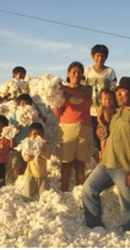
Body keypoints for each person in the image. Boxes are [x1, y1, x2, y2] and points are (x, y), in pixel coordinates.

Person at [82, 76, 130, 232]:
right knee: (88, 188)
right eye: (118, 91)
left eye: (123, 91)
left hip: (124, 166)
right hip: (106, 163)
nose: (119, 95)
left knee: (128, 204)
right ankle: (95, 227)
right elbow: (112, 134)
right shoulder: (118, 111)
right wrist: (102, 132)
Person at [53, 61, 94, 192]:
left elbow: (84, 95)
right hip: (67, 128)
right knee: (66, 163)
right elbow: (58, 113)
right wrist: (54, 100)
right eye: (74, 72)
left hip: (85, 128)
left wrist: (62, 88)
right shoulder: (61, 93)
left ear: (83, 75)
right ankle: (64, 190)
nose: (77, 75)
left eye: (79, 72)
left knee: (81, 163)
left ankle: (79, 191)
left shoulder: (87, 89)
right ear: (68, 74)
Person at [84, 44, 117, 155]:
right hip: (90, 110)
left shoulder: (110, 72)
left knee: (103, 136)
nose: (100, 59)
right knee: (90, 135)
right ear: (93, 57)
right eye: (97, 56)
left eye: (103, 56)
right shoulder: (87, 71)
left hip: (104, 111)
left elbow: (113, 90)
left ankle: (103, 157)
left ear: (106, 57)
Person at [7, 93, 34, 183]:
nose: (24, 106)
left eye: (27, 103)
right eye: (22, 103)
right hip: (18, 145)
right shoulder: (14, 116)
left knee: (27, 164)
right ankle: (19, 182)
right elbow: (12, 130)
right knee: (17, 164)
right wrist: (20, 123)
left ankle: (26, 182)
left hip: (28, 145)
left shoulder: (33, 115)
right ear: (19, 105)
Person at [22, 122, 51, 200]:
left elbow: (48, 156)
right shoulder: (28, 146)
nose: (37, 136)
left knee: (43, 194)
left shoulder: (45, 146)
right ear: (29, 135)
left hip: (42, 174)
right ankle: (27, 205)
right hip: (30, 174)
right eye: (34, 134)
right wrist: (30, 154)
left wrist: (40, 152)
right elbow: (25, 158)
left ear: (43, 135)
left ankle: (42, 205)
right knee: (28, 193)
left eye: (39, 134)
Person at [96, 88, 117, 160]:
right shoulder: (102, 108)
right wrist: (103, 125)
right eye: (105, 99)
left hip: (111, 125)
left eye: (110, 99)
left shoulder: (113, 108)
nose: (107, 101)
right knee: (104, 138)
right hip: (103, 124)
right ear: (101, 100)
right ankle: (103, 152)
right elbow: (98, 118)